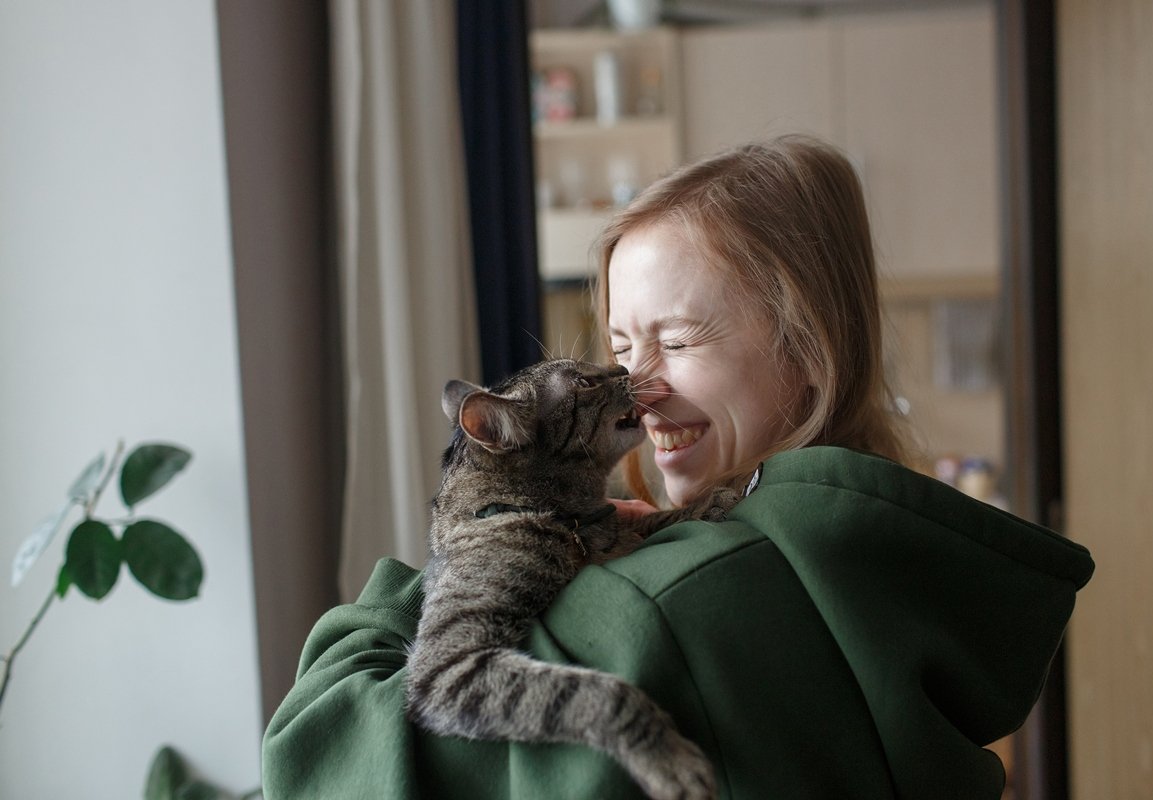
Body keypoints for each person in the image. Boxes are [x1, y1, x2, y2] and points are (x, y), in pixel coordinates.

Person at [261, 135, 1094, 799]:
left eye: (679, 341)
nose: (640, 391)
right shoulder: (862, 553)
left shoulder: (669, 605)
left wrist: (402, 597)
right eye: (622, 347)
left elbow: (316, 758)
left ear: (806, 352)